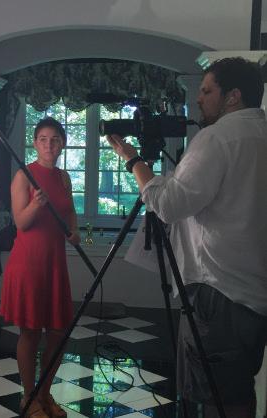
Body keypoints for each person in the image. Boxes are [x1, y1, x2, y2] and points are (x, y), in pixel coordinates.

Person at [107, 57, 267, 418]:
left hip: (218, 290)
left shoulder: (218, 138)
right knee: (239, 388)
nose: (198, 98)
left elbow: (168, 205)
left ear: (233, 96)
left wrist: (133, 160)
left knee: (215, 395)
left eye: (207, 91)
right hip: (255, 292)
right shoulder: (261, 134)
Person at [0, 117, 80, 418]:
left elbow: (70, 212)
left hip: (55, 264)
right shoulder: (24, 175)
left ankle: (45, 394)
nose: (49, 145)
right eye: (43, 139)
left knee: (58, 332)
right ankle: (29, 397)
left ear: (62, 144)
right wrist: (35, 205)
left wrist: (75, 232)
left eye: (55, 139)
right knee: (31, 332)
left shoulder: (64, 177)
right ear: (35, 143)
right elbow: (21, 222)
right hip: (28, 264)